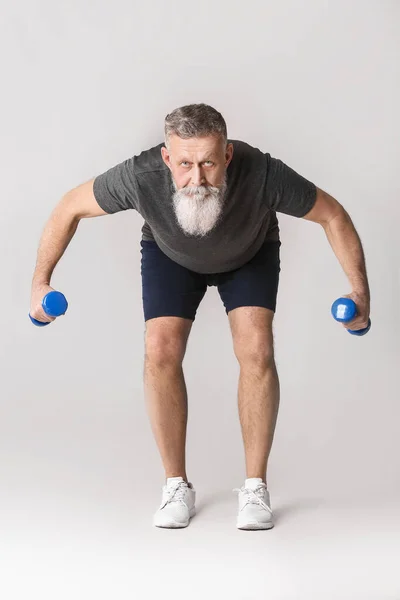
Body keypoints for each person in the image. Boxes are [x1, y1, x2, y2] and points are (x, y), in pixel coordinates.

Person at [30, 103, 370, 530]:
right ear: (167, 157)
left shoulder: (262, 172)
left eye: (209, 162)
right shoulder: (140, 176)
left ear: (227, 154)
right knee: (160, 348)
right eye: (185, 164)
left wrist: (360, 290)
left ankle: (255, 488)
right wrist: (40, 283)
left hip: (249, 252)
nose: (197, 178)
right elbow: (69, 207)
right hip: (171, 254)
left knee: (256, 348)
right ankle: (176, 485)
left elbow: (332, 215)